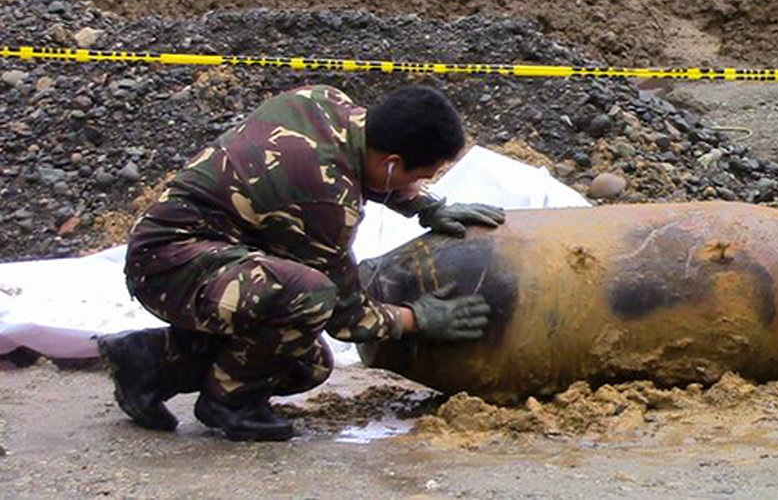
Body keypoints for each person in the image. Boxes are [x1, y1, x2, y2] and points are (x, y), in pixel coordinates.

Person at [97, 84, 505, 441]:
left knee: (305, 366)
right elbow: (347, 317)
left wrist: (423, 205)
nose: (421, 183)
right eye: (422, 175)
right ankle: (229, 403)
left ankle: (149, 361)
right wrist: (418, 318)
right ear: (393, 163)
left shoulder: (326, 102)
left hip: (213, 251)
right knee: (310, 297)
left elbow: (365, 168)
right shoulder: (324, 201)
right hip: (170, 263)